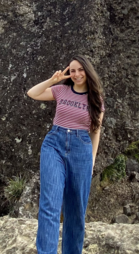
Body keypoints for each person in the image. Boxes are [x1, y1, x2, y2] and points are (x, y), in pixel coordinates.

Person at [26, 55, 105, 254]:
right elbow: (32, 93)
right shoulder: (61, 91)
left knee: (76, 210)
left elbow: (95, 131)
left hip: (81, 149)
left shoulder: (96, 100)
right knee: (49, 205)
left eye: (80, 69)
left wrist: (92, 159)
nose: (76, 74)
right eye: (72, 70)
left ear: (87, 71)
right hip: (54, 145)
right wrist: (53, 80)